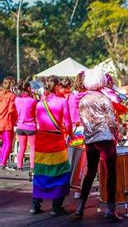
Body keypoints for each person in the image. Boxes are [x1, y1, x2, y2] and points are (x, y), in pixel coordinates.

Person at [75, 69, 122, 222]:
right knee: (110, 174)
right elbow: (111, 121)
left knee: (90, 173)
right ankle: (110, 208)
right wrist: (116, 134)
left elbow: (83, 121)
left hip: (90, 140)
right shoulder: (104, 99)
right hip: (106, 139)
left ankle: (80, 206)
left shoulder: (83, 100)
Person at [32, 75, 72, 215]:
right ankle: (56, 207)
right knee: (61, 172)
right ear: (55, 86)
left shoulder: (39, 104)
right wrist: (71, 135)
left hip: (41, 141)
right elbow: (67, 123)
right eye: (59, 85)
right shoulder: (62, 101)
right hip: (55, 141)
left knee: (41, 172)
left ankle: (36, 205)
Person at [14, 80, 37, 171]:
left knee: (22, 147)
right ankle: (32, 166)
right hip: (30, 126)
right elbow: (35, 112)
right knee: (32, 147)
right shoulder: (32, 101)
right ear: (28, 88)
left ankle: (19, 166)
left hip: (20, 126)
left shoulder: (16, 99)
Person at [0, 76, 17, 170]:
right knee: (8, 143)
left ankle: (2, 161)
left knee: (2, 144)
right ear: (11, 85)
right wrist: (16, 119)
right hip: (7, 122)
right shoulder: (12, 96)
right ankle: (3, 163)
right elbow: (12, 110)